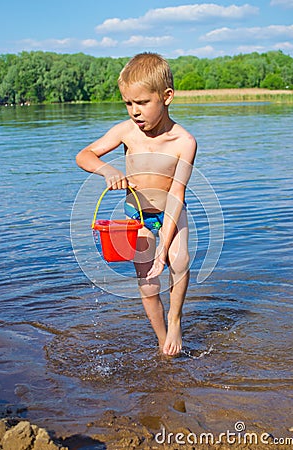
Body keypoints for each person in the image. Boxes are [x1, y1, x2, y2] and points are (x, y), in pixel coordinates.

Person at [76, 53, 197, 356]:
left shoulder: (184, 142)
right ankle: (162, 340)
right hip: (138, 216)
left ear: (166, 97)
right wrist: (108, 170)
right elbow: (84, 155)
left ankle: (175, 318)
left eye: (142, 103)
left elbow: (177, 196)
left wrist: (164, 249)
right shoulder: (126, 132)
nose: (135, 112)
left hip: (171, 212)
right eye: (129, 103)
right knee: (147, 281)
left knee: (179, 262)